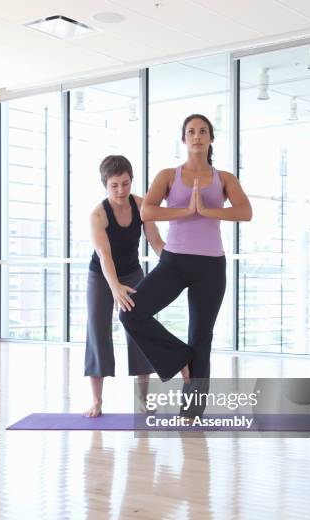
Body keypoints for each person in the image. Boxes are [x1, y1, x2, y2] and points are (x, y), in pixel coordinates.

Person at [119, 114, 252, 418]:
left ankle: (192, 412)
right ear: (183, 139)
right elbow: (147, 211)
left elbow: (245, 211)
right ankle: (179, 356)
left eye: (203, 131)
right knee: (131, 312)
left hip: (211, 267)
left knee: (201, 337)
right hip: (174, 261)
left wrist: (207, 210)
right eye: (191, 131)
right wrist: (185, 210)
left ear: (211, 138)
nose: (197, 136)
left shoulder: (225, 178)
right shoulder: (168, 175)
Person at [84, 155, 165, 417]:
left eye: (126, 183)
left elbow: (157, 243)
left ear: (132, 181)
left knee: (138, 331)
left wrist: (176, 267)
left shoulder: (142, 206)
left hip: (131, 274)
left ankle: (143, 400)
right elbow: (104, 256)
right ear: (105, 186)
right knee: (98, 332)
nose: (121, 191)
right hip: (101, 276)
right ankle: (97, 401)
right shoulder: (98, 215)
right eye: (114, 185)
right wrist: (115, 287)